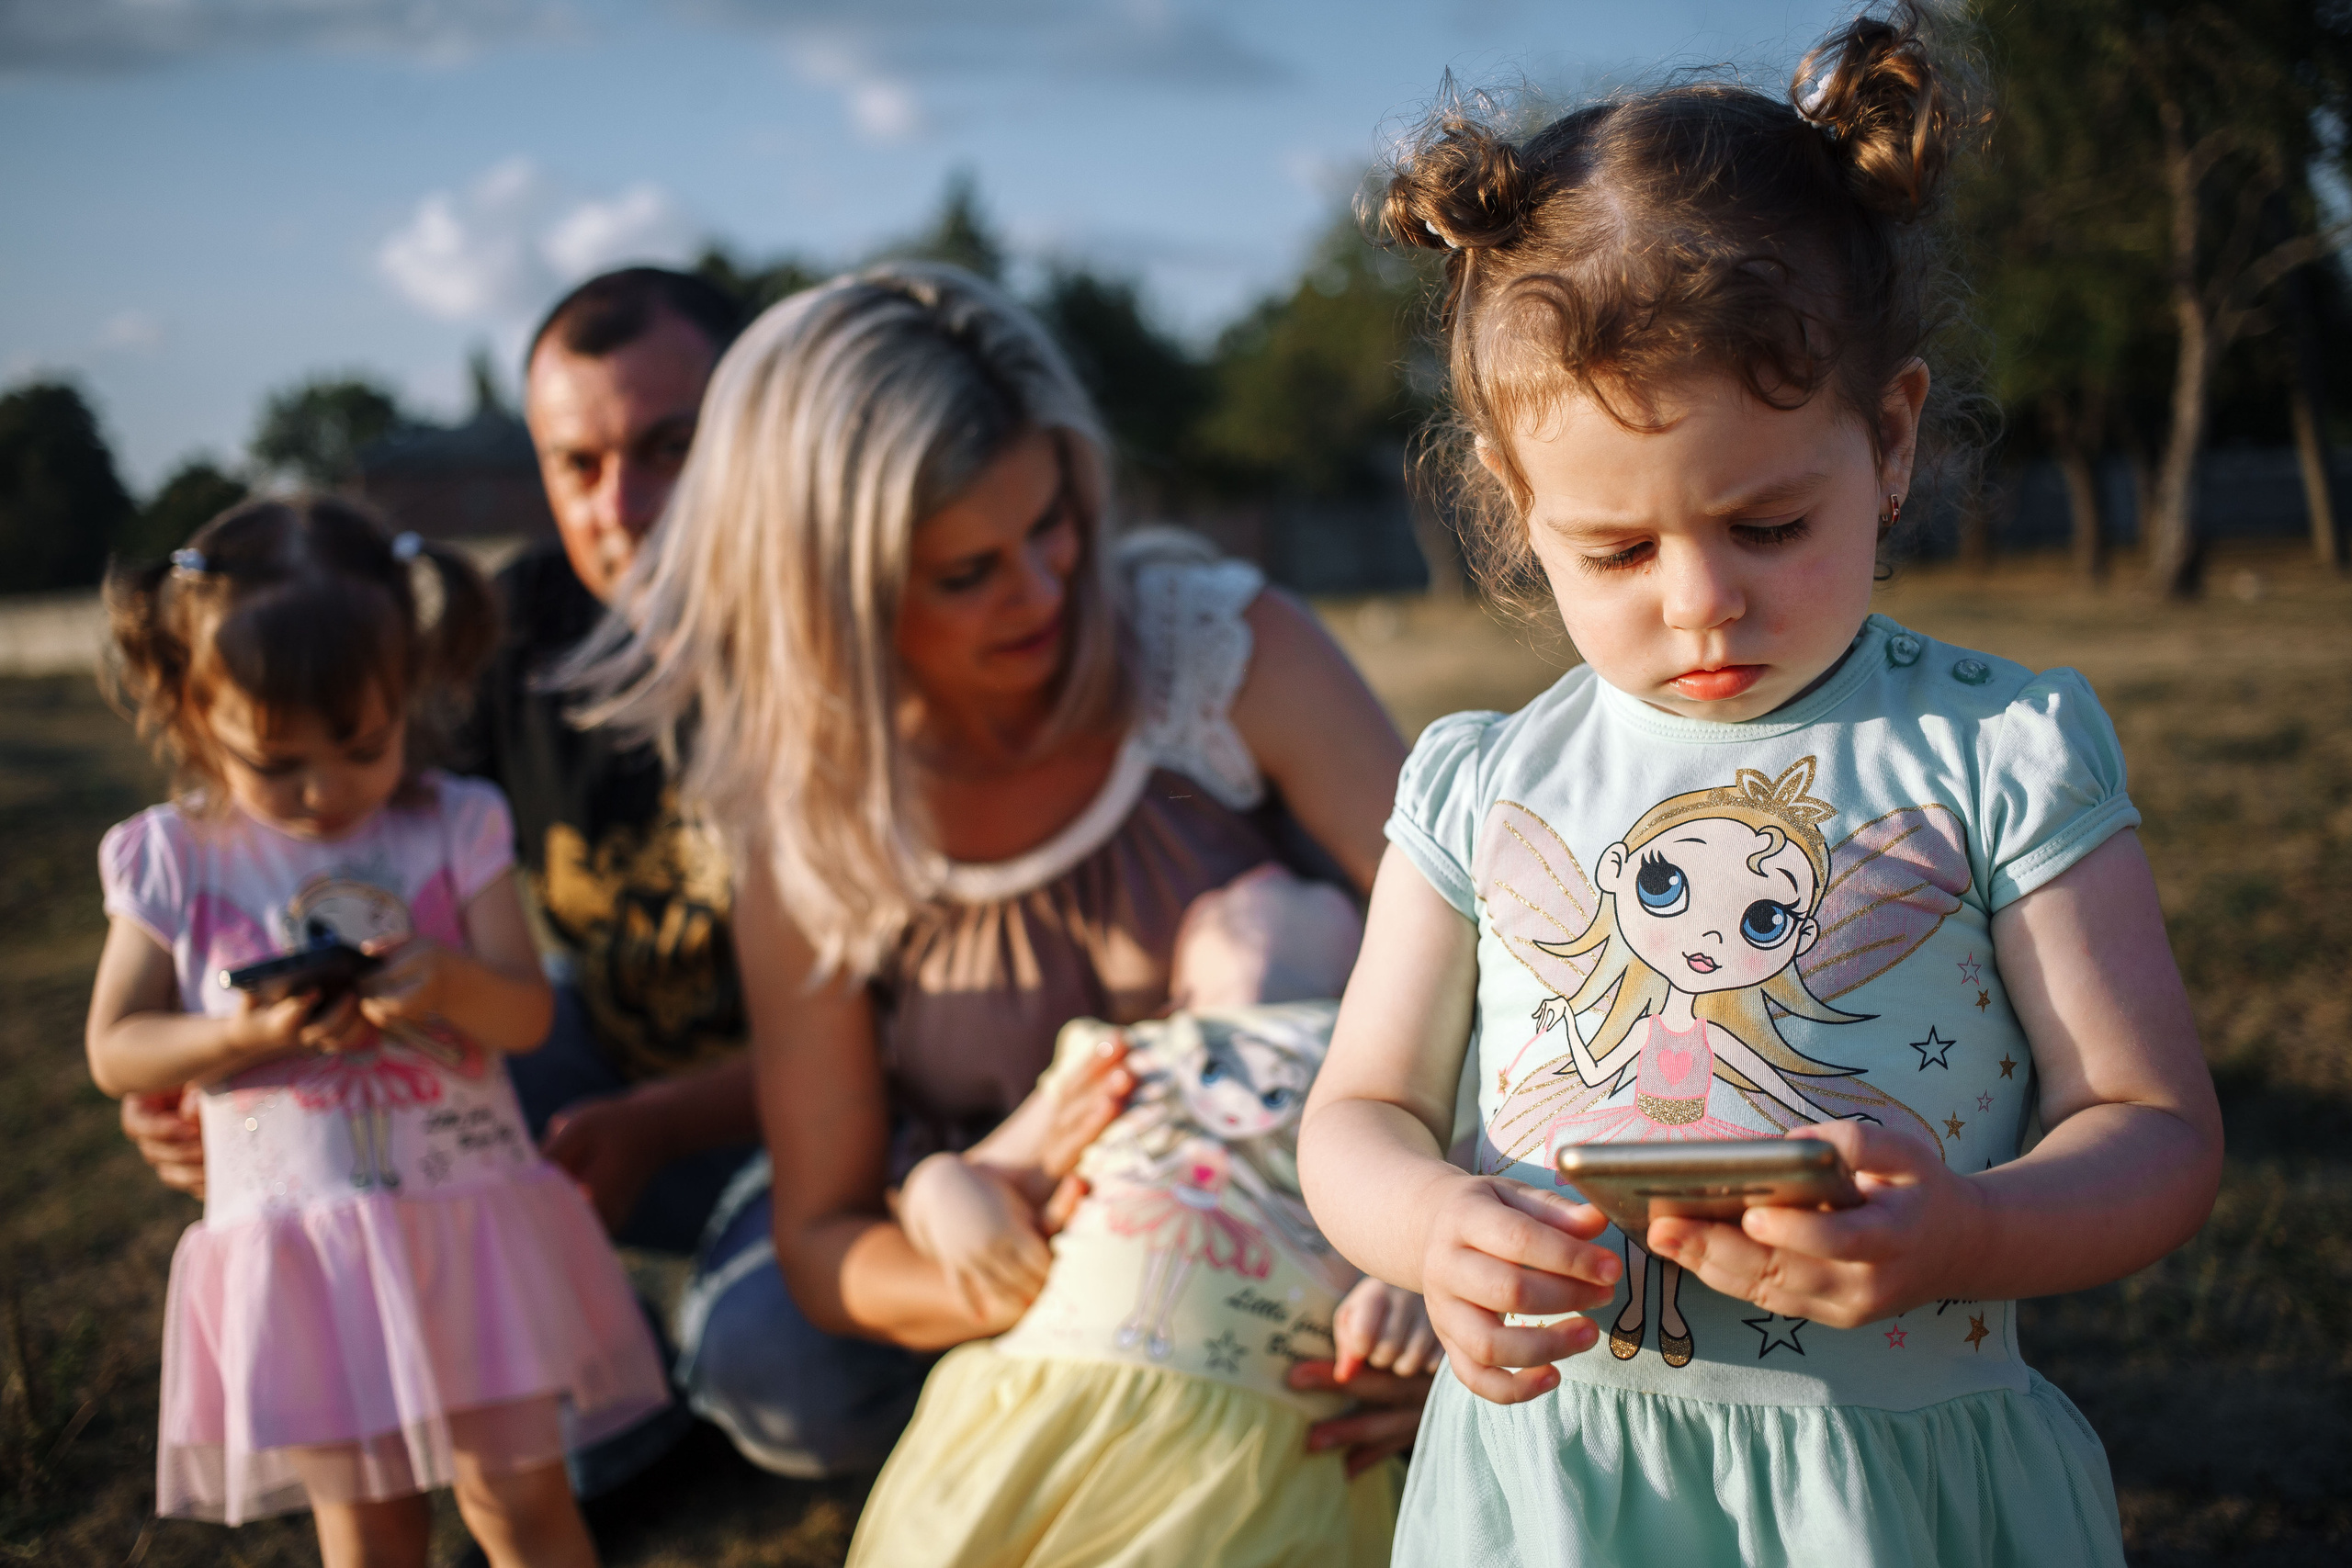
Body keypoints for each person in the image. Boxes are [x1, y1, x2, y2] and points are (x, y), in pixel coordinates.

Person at [1297, 6, 2222, 1565]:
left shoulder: (1996, 754)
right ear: (1518, 506)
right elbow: (1362, 1110)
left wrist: (1968, 1231)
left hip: (1894, 1484)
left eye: (1770, 524)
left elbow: (2156, 1129)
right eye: (1617, 549)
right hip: (1558, 1487)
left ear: (1892, 436)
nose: (1702, 598)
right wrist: (1428, 1229)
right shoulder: (1479, 784)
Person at [566, 262, 1433, 1482]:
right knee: (777, 1358)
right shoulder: (812, 818)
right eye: (966, 573)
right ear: (836, 603)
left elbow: (1472, 961)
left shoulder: (1225, 648)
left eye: (1052, 524)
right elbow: (824, 1233)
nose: (1040, 593)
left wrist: (1428, 1249)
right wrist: (1015, 1273)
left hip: (1296, 1181)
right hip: (1005, 1220)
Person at [85, 497, 668, 1566]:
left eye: (363, 745)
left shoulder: (454, 821)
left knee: (523, 1503)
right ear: (188, 702)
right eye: (276, 761)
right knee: (368, 1529)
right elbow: (116, 1045)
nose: (326, 791)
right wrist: (234, 1036)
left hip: (467, 1223)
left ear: (413, 688)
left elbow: (527, 1012)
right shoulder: (174, 857)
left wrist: (444, 980)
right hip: (306, 1256)